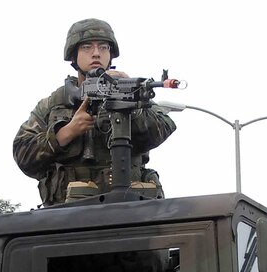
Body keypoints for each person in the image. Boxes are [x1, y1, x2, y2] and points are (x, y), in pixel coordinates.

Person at [13, 18, 176, 206]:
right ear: (74, 56)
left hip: (131, 208)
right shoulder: (53, 104)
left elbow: (163, 128)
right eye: (87, 47)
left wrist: (129, 101)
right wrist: (66, 133)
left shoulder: (130, 93)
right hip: (68, 212)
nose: (96, 53)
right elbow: (23, 155)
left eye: (104, 47)